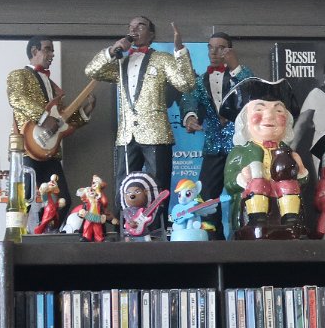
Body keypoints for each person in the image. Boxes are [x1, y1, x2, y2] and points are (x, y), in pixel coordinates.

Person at [85, 16, 195, 236]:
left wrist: (180, 50)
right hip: (127, 134)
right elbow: (91, 71)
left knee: (157, 184)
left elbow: (186, 83)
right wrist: (113, 50)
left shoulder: (162, 59)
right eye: (131, 27)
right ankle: (124, 230)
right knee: (123, 183)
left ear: (151, 34)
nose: (134, 29)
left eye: (140, 26)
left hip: (155, 133)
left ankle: (155, 230)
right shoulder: (120, 63)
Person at [6, 36, 93, 219]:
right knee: (23, 198)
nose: (52, 54)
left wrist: (85, 111)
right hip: (26, 148)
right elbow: (17, 98)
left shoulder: (54, 88)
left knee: (62, 200)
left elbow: (60, 122)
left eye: (52, 50)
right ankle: (16, 236)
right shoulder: (18, 75)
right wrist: (44, 118)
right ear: (34, 51)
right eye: (47, 49)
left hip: (50, 151)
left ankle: (45, 231)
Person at [180, 31, 252, 238]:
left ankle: (245, 235)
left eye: (220, 47)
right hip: (213, 145)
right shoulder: (201, 80)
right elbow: (189, 100)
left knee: (243, 190)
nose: (214, 52)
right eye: (211, 47)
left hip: (239, 145)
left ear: (229, 50)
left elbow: (251, 91)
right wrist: (190, 118)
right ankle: (213, 240)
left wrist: (235, 66)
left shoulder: (241, 74)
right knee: (206, 194)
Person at [221, 77, 309, 239]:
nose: (269, 116)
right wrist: (242, 178)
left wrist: (301, 171)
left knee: (289, 184)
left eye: (279, 111)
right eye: (259, 110)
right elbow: (230, 182)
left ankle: (291, 220)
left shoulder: (287, 151)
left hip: (281, 195)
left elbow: (302, 182)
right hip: (252, 198)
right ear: (245, 121)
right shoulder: (240, 152)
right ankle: (256, 219)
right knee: (257, 183)